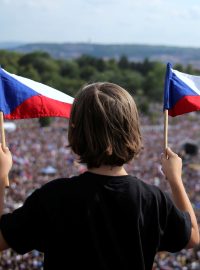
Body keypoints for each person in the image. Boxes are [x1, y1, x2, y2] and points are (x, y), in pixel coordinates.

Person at [0, 82, 198, 270]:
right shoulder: (152, 199)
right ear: (132, 131)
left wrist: (1, 177)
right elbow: (192, 237)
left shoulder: (52, 196)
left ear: (75, 132)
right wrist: (175, 180)